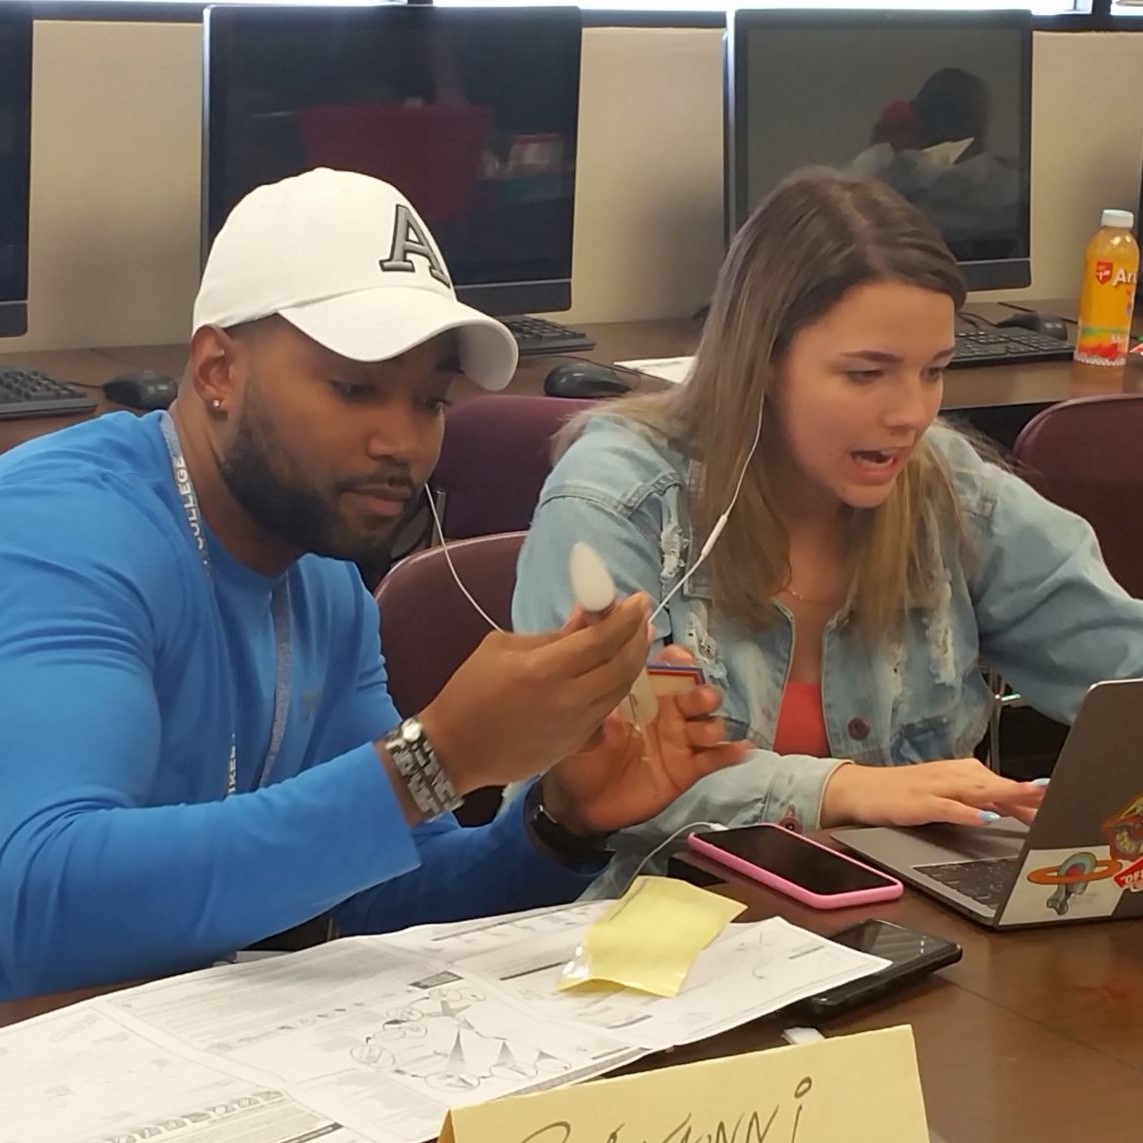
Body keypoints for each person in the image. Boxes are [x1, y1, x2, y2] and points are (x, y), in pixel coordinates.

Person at [0, 168, 746, 1001]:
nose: (403, 441)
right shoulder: (61, 531)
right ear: (216, 368)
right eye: (354, 388)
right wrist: (437, 758)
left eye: (429, 399)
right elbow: (33, 900)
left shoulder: (320, 574)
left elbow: (373, 894)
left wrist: (555, 826)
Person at [513, 167, 1143, 896]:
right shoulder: (618, 496)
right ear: (764, 359)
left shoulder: (944, 484)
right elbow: (586, 782)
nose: (910, 413)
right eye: (866, 374)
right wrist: (841, 788)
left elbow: (1121, 665)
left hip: (911, 930)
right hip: (663, 942)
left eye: (932, 371)